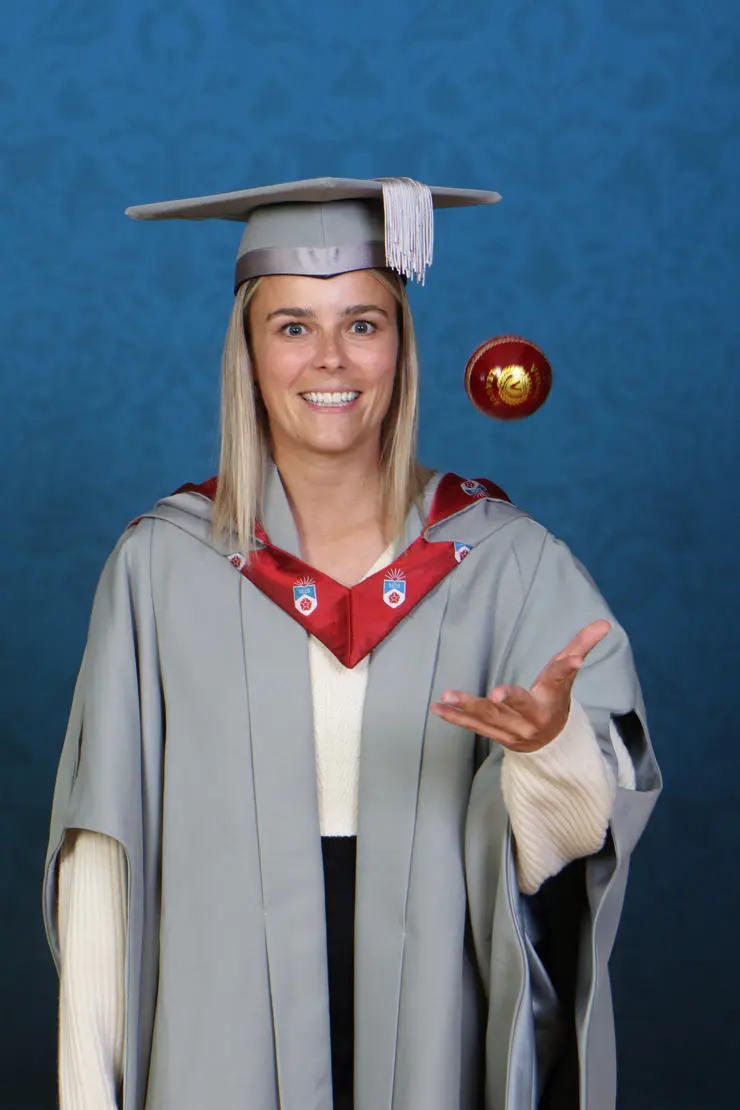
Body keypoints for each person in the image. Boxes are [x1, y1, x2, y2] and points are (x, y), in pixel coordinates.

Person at [42, 177, 661, 1110]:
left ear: (403, 349)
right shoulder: (161, 567)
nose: (330, 358)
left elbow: (572, 851)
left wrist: (549, 752)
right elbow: (103, 869)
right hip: (217, 1040)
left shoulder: (507, 561)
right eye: (292, 325)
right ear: (247, 356)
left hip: (435, 1039)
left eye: (363, 323)